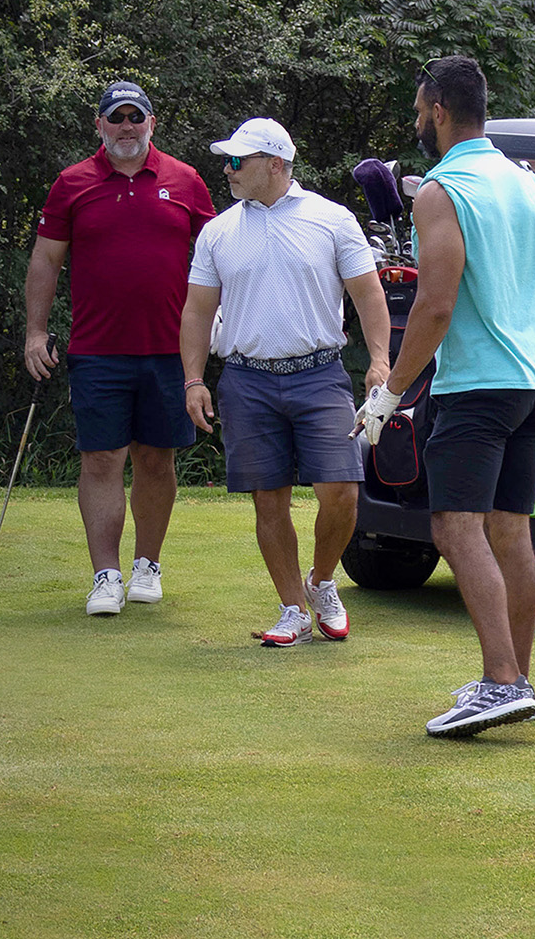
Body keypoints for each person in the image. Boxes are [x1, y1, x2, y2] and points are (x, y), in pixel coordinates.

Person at [355, 56, 535, 736]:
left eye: (420, 110)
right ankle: (513, 679)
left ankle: (502, 682)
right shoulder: (527, 183)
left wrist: (389, 393)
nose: (418, 121)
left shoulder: (441, 190)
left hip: (480, 388)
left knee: (454, 526)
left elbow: (435, 305)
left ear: (438, 111)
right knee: (510, 531)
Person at [178, 118, 391, 647]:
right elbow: (198, 312)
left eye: (237, 161)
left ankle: (321, 582)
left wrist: (381, 360)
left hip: (319, 375)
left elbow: (367, 294)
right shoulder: (218, 231)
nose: (226, 169)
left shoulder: (332, 219)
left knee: (341, 491)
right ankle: (292, 607)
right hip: (246, 380)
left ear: (275, 164)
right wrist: (192, 380)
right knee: (267, 501)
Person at [25, 80, 217, 616]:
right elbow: (45, 261)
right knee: (101, 459)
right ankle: (105, 576)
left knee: (157, 459)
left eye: (137, 117)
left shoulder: (185, 180)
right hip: (98, 349)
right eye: (117, 118)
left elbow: (219, 253)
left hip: (170, 350)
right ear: (100, 125)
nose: (127, 127)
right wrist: (35, 332)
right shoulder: (73, 183)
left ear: (152, 122)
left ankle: (146, 566)